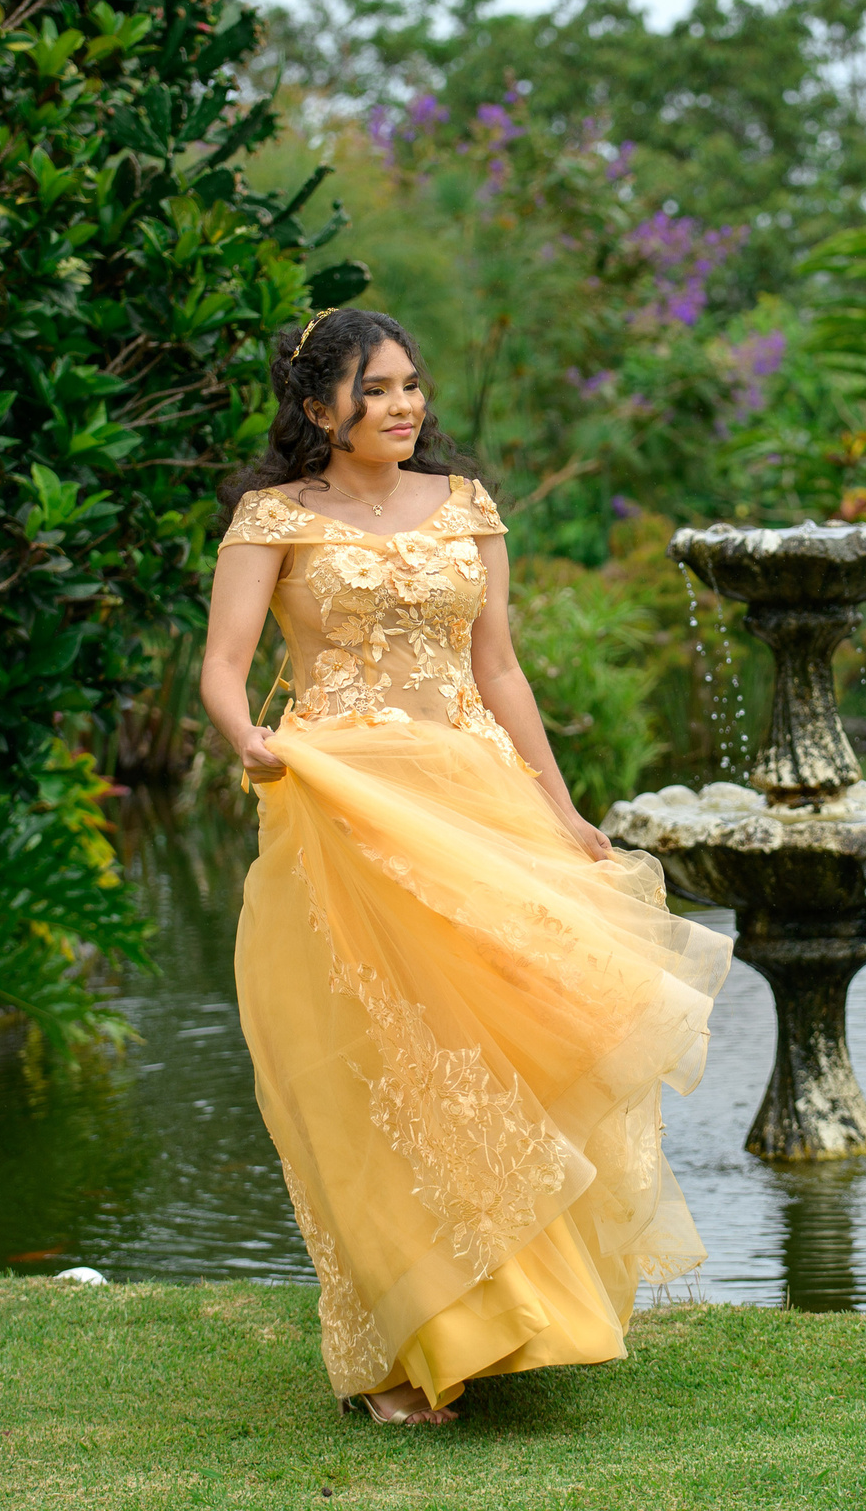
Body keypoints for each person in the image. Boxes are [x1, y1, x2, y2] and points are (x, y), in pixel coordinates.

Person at [200, 308, 731, 1426]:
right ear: (316, 409)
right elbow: (226, 664)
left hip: (473, 798)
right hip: (343, 811)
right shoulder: (271, 519)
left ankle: (524, 1315)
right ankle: (408, 1350)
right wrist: (246, 737)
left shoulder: (469, 509)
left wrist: (562, 808)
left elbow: (500, 668)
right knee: (384, 1069)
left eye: (409, 386)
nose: (404, 407)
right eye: (377, 391)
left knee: (512, 1051)